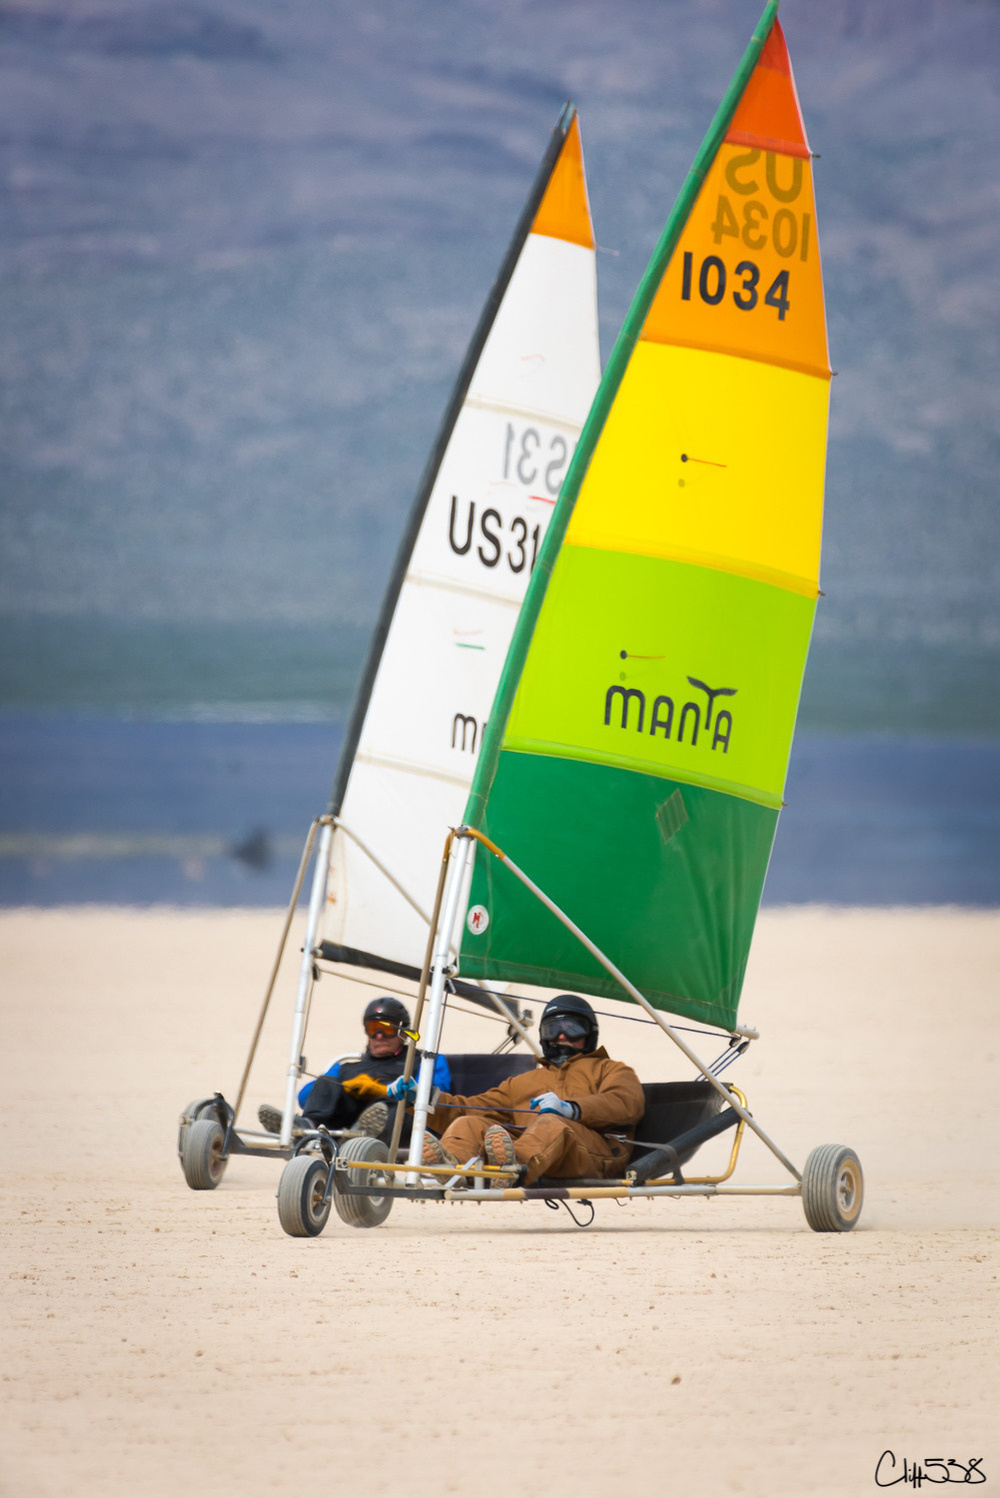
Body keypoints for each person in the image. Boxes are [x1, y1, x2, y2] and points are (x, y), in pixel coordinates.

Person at [387, 994, 643, 1184]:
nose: (561, 1037)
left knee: (552, 1123)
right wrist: (424, 1098)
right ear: (543, 1036)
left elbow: (626, 1103)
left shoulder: (611, 1070)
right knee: (469, 1123)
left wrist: (572, 1109)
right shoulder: (523, 1082)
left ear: (590, 1035)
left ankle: (514, 1167)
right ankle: (454, 1167)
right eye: (553, 1030)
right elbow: (470, 1107)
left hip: (594, 1154)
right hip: (536, 1152)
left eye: (573, 1029)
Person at [258, 995, 451, 1141]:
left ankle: (361, 1133)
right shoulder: (347, 1067)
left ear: (404, 1033)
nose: (379, 1036)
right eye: (373, 1029)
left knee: (393, 1107)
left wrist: (386, 1090)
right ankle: (305, 1127)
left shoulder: (422, 1061)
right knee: (328, 1082)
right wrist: (345, 1086)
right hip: (345, 1119)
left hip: (397, 1121)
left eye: (387, 1029)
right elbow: (304, 1096)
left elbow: (438, 1096)